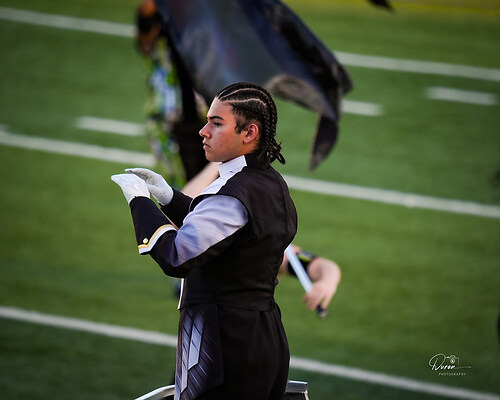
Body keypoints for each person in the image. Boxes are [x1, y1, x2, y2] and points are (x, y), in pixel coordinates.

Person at [112, 82, 297, 400]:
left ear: (249, 132)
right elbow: (223, 235)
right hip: (264, 336)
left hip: (225, 344)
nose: (203, 131)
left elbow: (176, 256)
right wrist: (169, 198)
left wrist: (139, 202)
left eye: (216, 123)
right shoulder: (269, 181)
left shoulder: (232, 193)